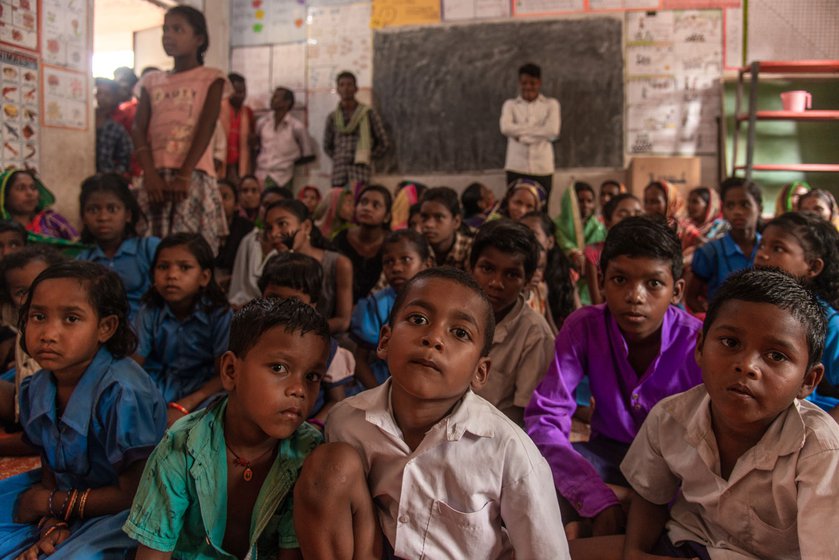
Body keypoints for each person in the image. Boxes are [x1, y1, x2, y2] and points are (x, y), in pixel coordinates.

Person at [294, 267, 571, 559]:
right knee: (327, 467)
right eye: (418, 319)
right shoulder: (347, 421)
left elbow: (546, 553)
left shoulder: (508, 449)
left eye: (460, 333)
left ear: (480, 371)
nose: (434, 338)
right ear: (385, 340)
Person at [615, 269, 839, 559]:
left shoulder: (819, 452)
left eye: (776, 356)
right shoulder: (671, 417)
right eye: (731, 343)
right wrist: (636, 552)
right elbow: (650, 495)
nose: (747, 366)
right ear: (699, 347)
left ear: (808, 380)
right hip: (688, 541)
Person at [525, 216, 703, 538]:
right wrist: (596, 497)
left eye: (653, 284)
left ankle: (614, 520)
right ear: (603, 281)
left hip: (678, 469)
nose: (635, 296)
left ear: (676, 290)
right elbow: (546, 417)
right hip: (606, 458)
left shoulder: (698, 343)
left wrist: (649, 499)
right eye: (620, 280)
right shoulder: (584, 328)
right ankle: (614, 512)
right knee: (529, 475)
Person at [124, 297, 328, 559]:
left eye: (312, 376)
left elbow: (290, 553)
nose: (299, 390)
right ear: (231, 371)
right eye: (279, 368)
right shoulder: (182, 446)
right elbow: (154, 555)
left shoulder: (307, 454)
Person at [0, 261, 166, 559]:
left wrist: (51, 504)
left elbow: (134, 494)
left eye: (71, 319)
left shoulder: (124, 392)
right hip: (65, 492)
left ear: (105, 327)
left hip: (126, 510)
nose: (49, 333)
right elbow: (50, 461)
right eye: (38, 316)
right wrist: (51, 522)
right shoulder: (37, 385)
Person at [131, 5, 229, 253]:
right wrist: (150, 174)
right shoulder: (151, 81)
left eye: (177, 29)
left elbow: (206, 127)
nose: (168, 35)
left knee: (191, 251)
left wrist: (184, 175)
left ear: (199, 38)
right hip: (155, 177)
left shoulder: (212, 78)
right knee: (152, 249)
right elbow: (138, 128)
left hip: (192, 174)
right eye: (165, 29)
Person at [134, 233, 232, 424]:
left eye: (184, 268)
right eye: (163, 267)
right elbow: (135, 363)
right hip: (161, 383)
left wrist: (185, 405)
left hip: (205, 389)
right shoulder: (150, 310)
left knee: (223, 412)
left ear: (204, 277)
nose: (172, 275)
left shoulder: (219, 314)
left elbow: (224, 375)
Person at [469, 219, 554, 426]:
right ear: (470, 267)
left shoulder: (535, 334)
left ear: (527, 281)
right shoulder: (451, 313)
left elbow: (524, 413)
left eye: (511, 274)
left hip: (495, 436)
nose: (497, 283)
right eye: (487, 269)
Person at [754, 211, 839, 419]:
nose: (762, 254)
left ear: (813, 267)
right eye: (762, 245)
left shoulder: (827, 322)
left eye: (778, 248)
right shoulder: (751, 307)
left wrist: (826, 432)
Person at [258, 253, 352, 423]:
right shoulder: (253, 337)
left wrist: (314, 427)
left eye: (294, 302)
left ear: (312, 304)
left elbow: (336, 400)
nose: (282, 309)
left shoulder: (326, 348)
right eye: (273, 299)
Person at [350, 229, 432, 389]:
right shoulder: (376, 304)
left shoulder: (438, 302)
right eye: (388, 262)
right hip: (381, 382)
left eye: (406, 259)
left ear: (426, 265)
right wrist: (379, 395)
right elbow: (360, 360)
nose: (396, 268)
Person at [0, 247, 65, 448]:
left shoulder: (61, 330)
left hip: (53, 418)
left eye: (40, 285)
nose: (32, 297)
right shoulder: (24, 322)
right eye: (21, 292)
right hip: (25, 407)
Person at [75, 174, 160, 321]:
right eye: (93, 210)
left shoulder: (149, 249)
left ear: (127, 214)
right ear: (84, 217)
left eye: (112, 209)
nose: (103, 217)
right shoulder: (82, 261)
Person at [263, 200, 353, 334]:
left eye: (282, 224)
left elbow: (343, 321)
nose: (274, 233)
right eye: (269, 228)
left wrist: (303, 331)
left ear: (306, 226)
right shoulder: (275, 262)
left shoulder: (338, 263)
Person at [687, 177, 763, 313]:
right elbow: (691, 297)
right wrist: (713, 321)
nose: (737, 211)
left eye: (745, 204)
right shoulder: (711, 251)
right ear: (724, 211)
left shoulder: (769, 249)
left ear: (759, 208)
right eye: (730, 206)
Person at [226, 186, 293, 307]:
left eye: (277, 205)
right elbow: (237, 282)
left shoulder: (291, 246)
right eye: (265, 205)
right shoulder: (249, 239)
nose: (269, 210)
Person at [499, 63, 560, 194]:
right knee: (515, 208)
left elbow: (553, 130)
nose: (528, 87)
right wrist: (539, 131)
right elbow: (505, 128)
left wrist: (522, 136)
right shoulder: (510, 105)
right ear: (519, 83)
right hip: (516, 166)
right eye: (524, 83)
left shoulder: (551, 105)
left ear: (539, 83)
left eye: (532, 83)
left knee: (541, 211)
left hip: (542, 167)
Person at [323, 71, 388, 187]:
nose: (346, 88)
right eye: (342, 85)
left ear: (356, 89)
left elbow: (383, 143)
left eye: (349, 85)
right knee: (338, 204)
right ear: (337, 89)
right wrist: (341, 157)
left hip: (360, 173)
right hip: (339, 174)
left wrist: (366, 155)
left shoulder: (368, 114)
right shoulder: (332, 117)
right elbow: (327, 145)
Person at [519, 211, 578, 332]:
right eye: (521, 232)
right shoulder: (516, 276)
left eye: (533, 234)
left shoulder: (564, 275)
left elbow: (578, 314)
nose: (525, 238)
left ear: (550, 242)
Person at [333, 184, 392, 302]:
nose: (367, 208)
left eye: (376, 205)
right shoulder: (342, 238)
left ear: (387, 216)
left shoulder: (392, 243)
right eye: (363, 202)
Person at [584, 193, 643, 305]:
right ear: (607, 221)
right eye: (623, 214)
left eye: (638, 214)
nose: (632, 219)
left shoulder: (651, 252)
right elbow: (597, 302)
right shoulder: (595, 253)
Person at [555, 181, 606, 304]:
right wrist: (575, 254)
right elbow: (563, 242)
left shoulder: (598, 227)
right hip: (564, 277)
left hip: (590, 282)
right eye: (580, 201)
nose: (585, 205)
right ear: (570, 203)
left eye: (589, 201)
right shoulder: (559, 224)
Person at [254, 87, 314, 189]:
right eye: (273, 96)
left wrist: (287, 162)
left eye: (276, 97)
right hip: (261, 174)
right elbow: (257, 146)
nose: (272, 99)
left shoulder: (297, 127)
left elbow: (307, 154)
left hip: (283, 178)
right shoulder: (262, 123)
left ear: (287, 103)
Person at [0, 169, 79, 242]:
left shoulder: (52, 220)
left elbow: (79, 248)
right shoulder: (2, 228)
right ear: (4, 196)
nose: (30, 193)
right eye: (21, 188)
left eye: (33, 187)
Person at [419, 186, 472, 270]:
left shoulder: (470, 249)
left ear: (456, 222)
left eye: (439, 217)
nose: (429, 224)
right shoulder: (416, 249)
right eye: (424, 217)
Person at [214, 179, 254, 291]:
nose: (219, 202)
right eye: (214, 197)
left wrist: (233, 279)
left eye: (225, 197)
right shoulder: (201, 228)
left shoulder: (246, 228)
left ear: (236, 204)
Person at [94, 78, 133, 175]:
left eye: (107, 94)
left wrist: (115, 175)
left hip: (104, 180)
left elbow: (126, 157)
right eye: (99, 93)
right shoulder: (83, 123)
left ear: (115, 98)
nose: (101, 97)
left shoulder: (116, 128)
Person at [220, 72, 253, 182]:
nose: (241, 96)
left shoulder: (248, 112)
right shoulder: (218, 108)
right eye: (237, 92)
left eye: (243, 92)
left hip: (238, 163)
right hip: (219, 160)